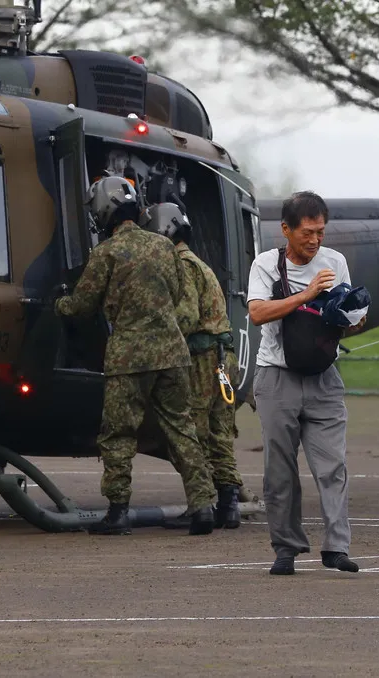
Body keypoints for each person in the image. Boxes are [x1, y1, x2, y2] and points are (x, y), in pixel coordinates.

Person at [54, 176, 216, 536]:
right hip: (173, 354)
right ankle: (203, 506)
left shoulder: (106, 253)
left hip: (129, 358)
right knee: (182, 429)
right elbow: (176, 295)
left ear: (104, 212)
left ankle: (118, 510)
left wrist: (59, 305)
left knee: (119, 433)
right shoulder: (163, 247)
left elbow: (82, 306)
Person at [247, 190, 366, 576]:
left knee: (333, 465)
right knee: (280, 469)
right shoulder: (265, 265)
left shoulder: (336, 262)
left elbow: (344, 318)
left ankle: (336, 547)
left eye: (320, 232)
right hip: (276, 376)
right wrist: (308, 294)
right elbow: (258, 313)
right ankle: (286, 548)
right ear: (286, 230)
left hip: (324, 376)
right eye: (307, 232)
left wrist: (351, 317)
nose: (315, 240)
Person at [140, 202, 243, 530]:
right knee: (220, 434)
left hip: (201, 361)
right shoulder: (200, 264)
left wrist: (151, 336)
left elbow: (185, 315)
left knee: (191, 433)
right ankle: (229, 505)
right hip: (223, 359)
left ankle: (203, 504)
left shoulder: (181, 265)